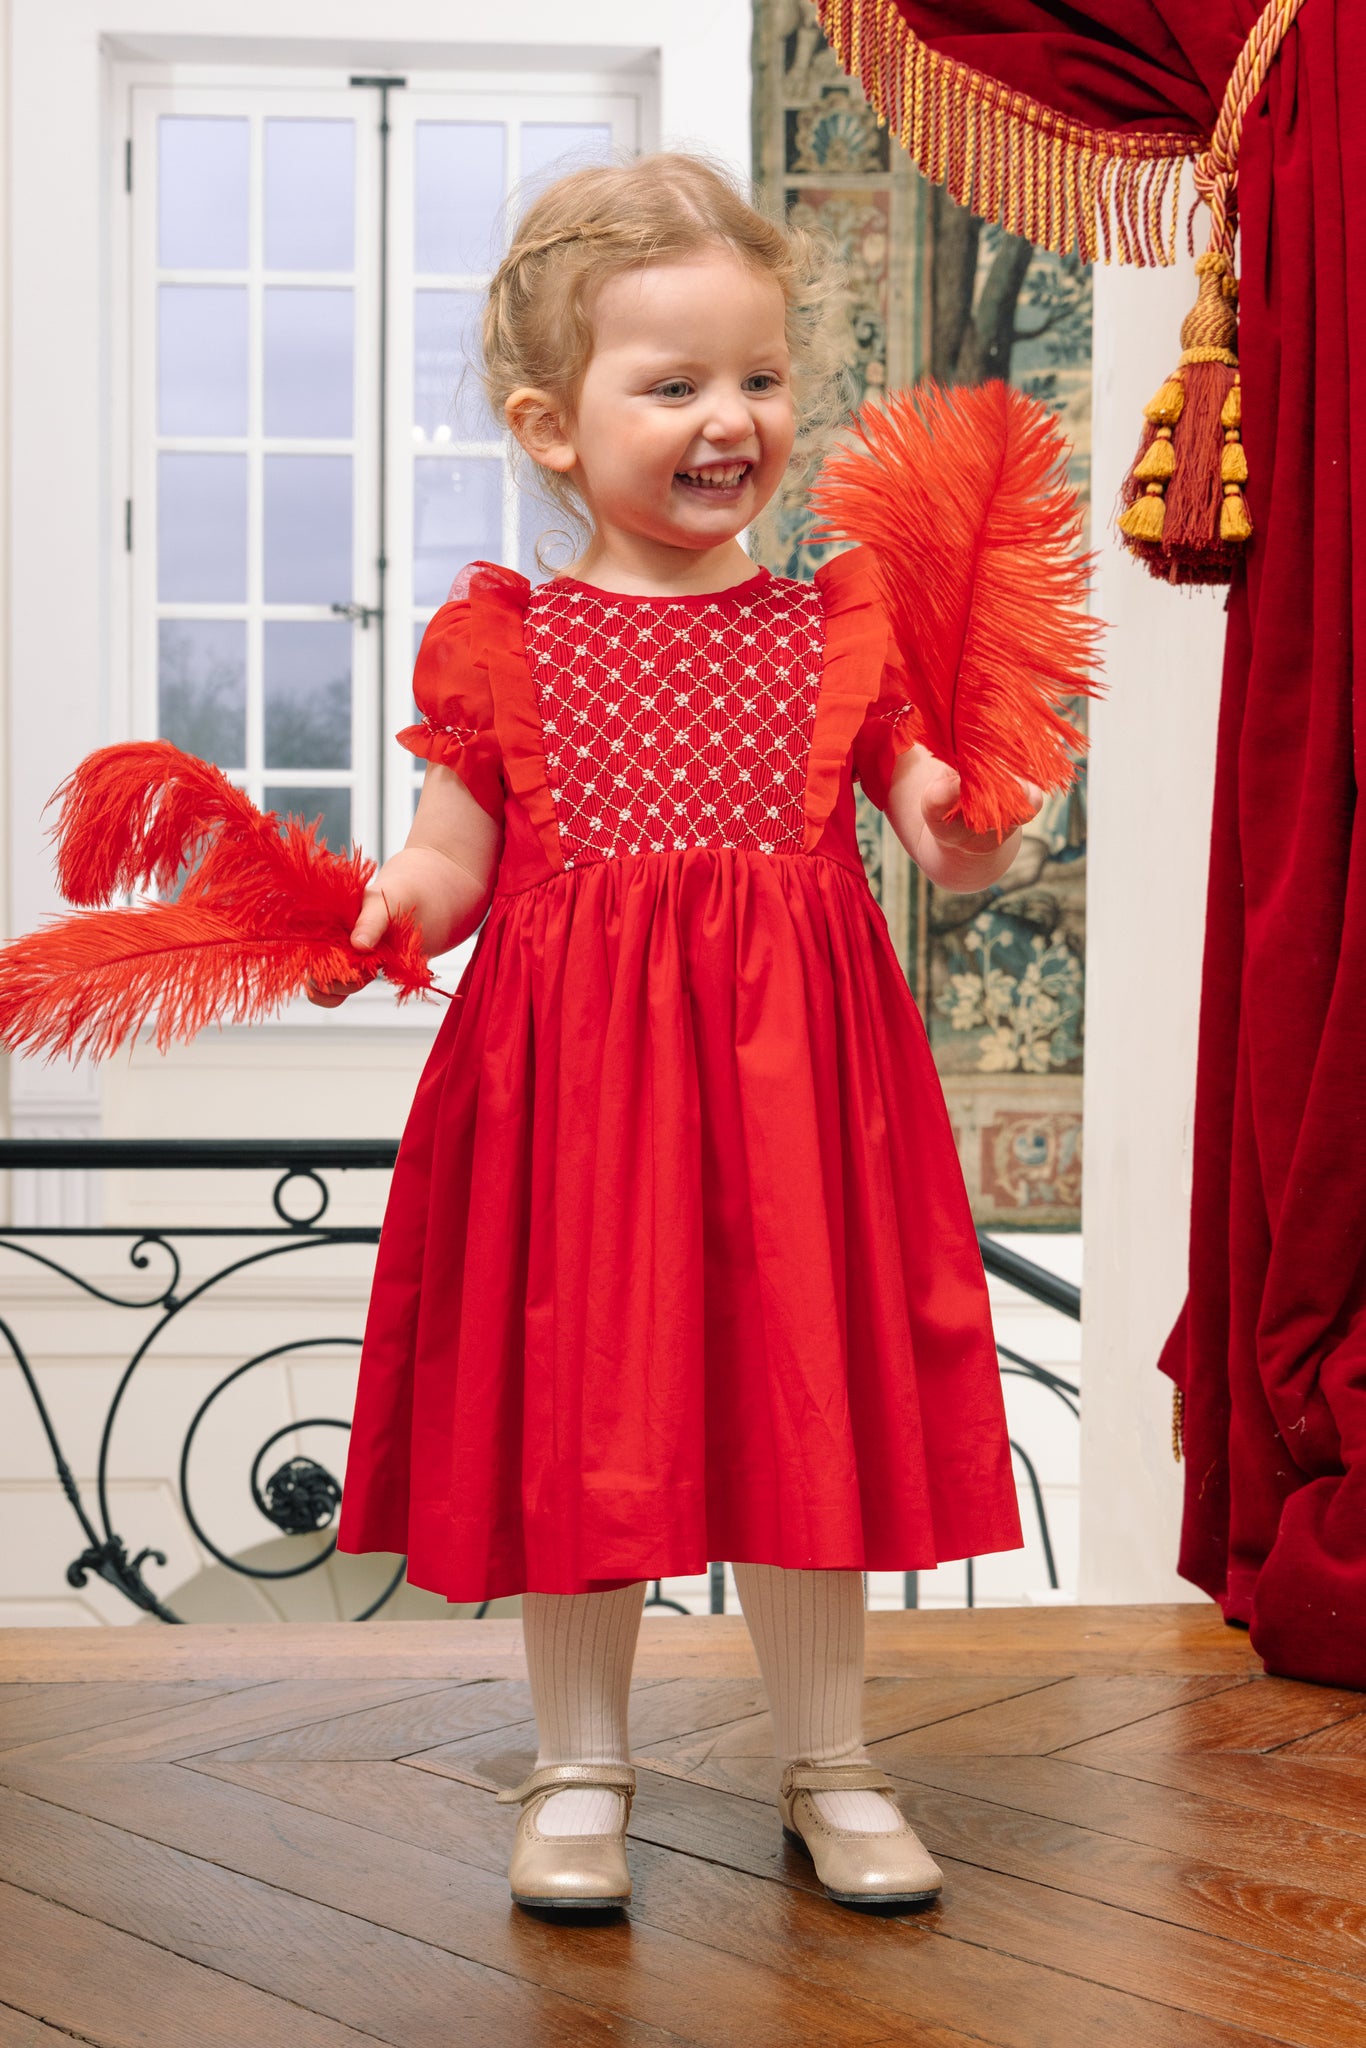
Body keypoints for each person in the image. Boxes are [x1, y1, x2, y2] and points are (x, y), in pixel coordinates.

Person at [319, 151, 1038, 1915]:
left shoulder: (833, 622)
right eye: (676, 385)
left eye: (762, 377)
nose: (732, 418)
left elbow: (932, 799)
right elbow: (452, 859)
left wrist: (965, 826)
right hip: (579, 1096)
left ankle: (832, 1762)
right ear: (551, 428)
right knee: (595, 1415)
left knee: (805, 1406)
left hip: (804, 1097)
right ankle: (578, 1769)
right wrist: (383, 909)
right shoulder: (505, 642)